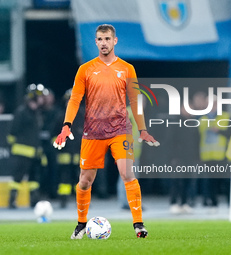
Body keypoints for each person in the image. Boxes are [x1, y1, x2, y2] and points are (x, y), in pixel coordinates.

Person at [53, 24, 159, 239]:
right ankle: (81, 224)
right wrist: (67, 125)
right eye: (100, 39)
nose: (103, 43)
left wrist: (143, 129)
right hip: (93, 132)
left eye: (107, 39)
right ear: (96, 42)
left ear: (115, 41)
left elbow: (134, 101)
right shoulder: (85, 69)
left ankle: (138, 224)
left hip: (120, 130)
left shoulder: (127, 69)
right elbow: (75, 99)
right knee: (85, 181)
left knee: (127, 173)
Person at [6, 84, 47, 209]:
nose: (42, 99)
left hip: (34, 152)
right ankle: (12, 200)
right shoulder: (22, 112)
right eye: (40, 97)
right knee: (17, 178)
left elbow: (35, 135)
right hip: (22, 152)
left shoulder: (37, 113)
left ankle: (34, 200)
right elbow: (12, 132)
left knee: (34, 179)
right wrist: (14, 148)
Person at [199, 95, 231, 213]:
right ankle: (213, 204)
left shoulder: (226, 117)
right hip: (207, 156)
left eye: (214, 103)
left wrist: (220, 131)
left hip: (222, 155)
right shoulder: (201, 119)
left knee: (226, 181)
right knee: (210, 182)